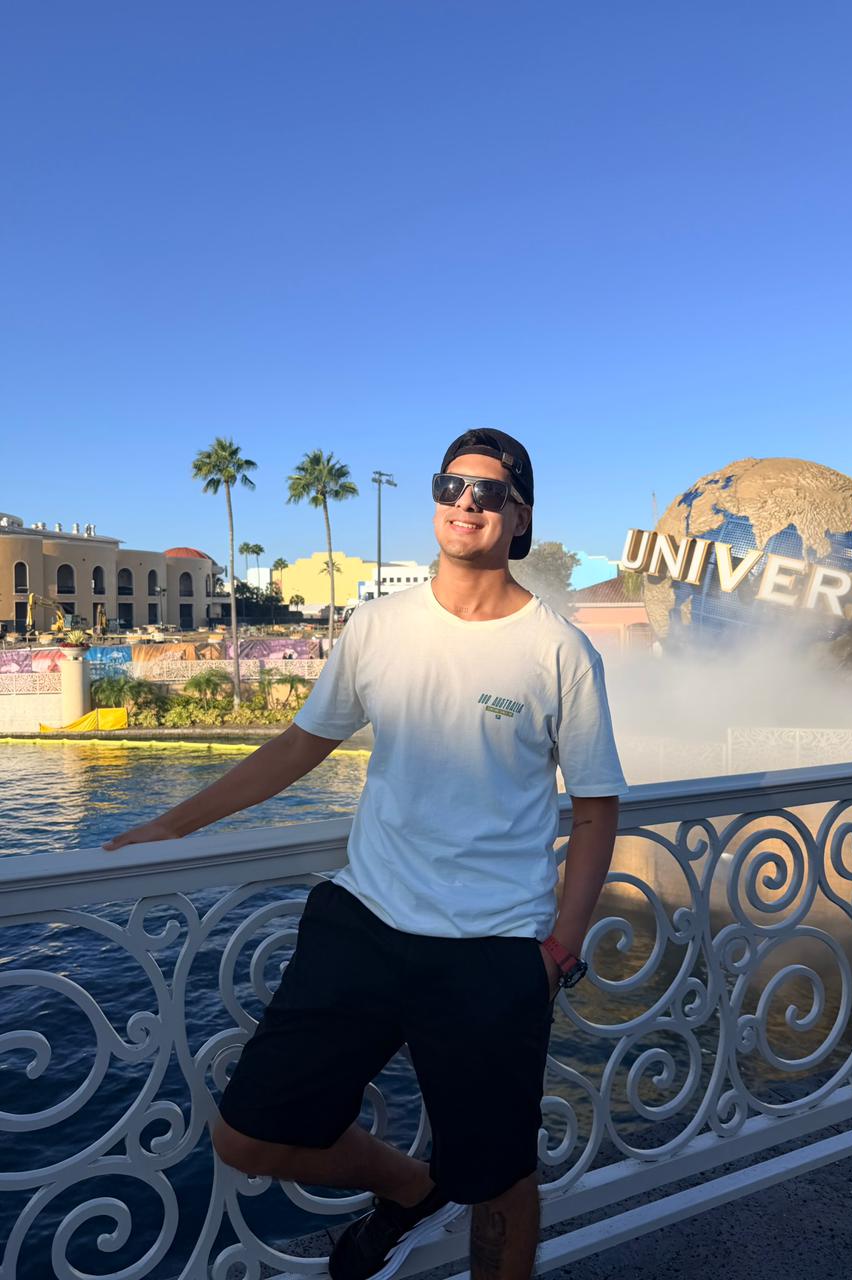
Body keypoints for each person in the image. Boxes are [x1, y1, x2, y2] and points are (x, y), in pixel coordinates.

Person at [103, 428, 626, 1280]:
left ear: (520, 516)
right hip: (366, 920)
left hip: (494, 946)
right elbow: (299, 746)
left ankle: (447, 1200)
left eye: (489, 492)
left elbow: (597, 809)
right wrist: (173, 825)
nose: (465, 503)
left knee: (499, 1175)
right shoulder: (378, 624)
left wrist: (559, 949)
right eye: (450, 485)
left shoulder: (558, 648)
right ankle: (413, 1190)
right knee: (248, 1133)